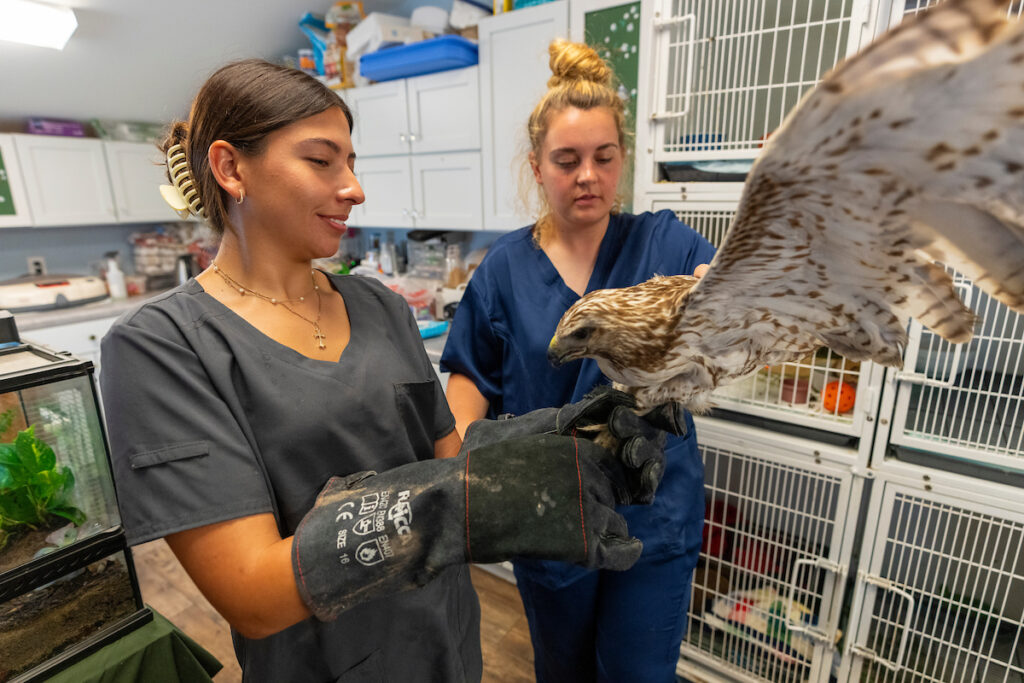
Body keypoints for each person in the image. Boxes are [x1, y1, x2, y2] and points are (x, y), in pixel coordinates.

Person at [99, 59, 675, 681]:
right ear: (231, 167)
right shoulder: (163, 347)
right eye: (321, 161)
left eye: (351, 162)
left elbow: (447, 459)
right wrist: (462, 507)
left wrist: (555, 435)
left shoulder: (379, 307)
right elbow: (251, 592)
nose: (354, 187)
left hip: (447, 641)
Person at [441, 40, 716, 682]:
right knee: (563, 670)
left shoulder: (664, 241)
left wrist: (724, 299)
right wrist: (451, 486)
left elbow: (718, 293)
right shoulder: (504, 270)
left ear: (621, 161)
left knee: (639, 673)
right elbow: (468, 387)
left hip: (654, 509)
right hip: (550, 511)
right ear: (537, 166)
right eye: (566, 160)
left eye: (602, 157)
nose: (586, 175)